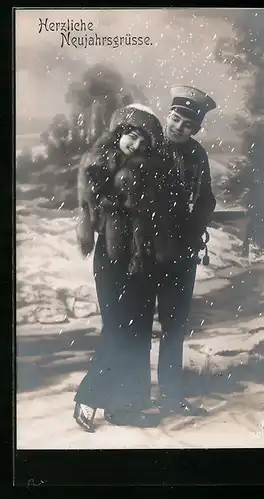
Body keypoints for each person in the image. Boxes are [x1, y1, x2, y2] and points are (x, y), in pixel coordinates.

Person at [73, 104, 170, 432]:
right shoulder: (99, 162)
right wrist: (121, 203)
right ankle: (88, 397)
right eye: (132, 135)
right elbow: (94, 210)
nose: (136, 144)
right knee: (118, 330)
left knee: (139, 330)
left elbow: (157, 210)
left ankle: (127, 405)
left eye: (144, 140)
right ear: (120, 132)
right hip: (113, 256)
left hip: (142, 257)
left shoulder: (149, 169)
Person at [138, 85, 217, 414]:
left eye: (188, 124)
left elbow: (206, 198)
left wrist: (195, 225)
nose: (179, 127)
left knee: (174, 327)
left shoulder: (198, 155)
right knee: (138, 326)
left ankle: (171, 395)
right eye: (175, 118)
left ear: (196, 129)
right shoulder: (148, 148)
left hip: (181, 255)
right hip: (145, 253)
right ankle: (137, 396)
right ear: (167, 115)